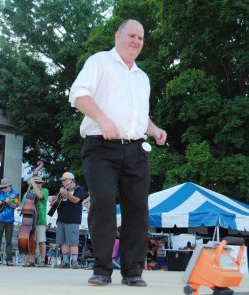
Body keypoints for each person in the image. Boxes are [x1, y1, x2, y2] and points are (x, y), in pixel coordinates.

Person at [69, 19, 167, 286]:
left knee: (138, 209)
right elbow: (77, 95)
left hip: (136, 150)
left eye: (141, 38)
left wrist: (154, 130)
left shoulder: (142, 77)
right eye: (132, 35)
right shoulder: (99, 62)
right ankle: (102, 268)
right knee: (102, 202)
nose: (136, 41)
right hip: (101, 147)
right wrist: (102, 119)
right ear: (118, 35)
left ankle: (133, 271)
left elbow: (138, 117)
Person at [50, 172, 87, 269]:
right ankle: (65, 262)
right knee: (63, 241)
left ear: (71, 180)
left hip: (72, 220)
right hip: (61, 219)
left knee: (73, 241)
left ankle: (74, 262)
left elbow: (76, 200)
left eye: (64, 180)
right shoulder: (63, 190)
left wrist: (66, 194)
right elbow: (57, 204)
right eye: (62, 181)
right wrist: (54, 200)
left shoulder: (79, 189)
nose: (63, 182)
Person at [21, 176, 49, 267]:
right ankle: (31, 260)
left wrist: (33, 184)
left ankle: (42, 261)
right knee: (30, 241)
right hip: (29, 220)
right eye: (36, 182)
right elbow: (23, 204)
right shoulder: (28, 192)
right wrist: (21, 208)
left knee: (41, 240)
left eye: (39, 183)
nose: (38, 184)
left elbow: (40, 196)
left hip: (40, 219)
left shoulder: (44, 190)